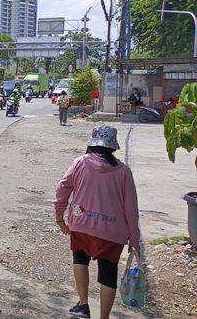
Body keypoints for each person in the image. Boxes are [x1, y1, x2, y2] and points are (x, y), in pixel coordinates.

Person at [54, 126, 140, 319]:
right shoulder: (124, 172)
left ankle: (83, 305)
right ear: (113, 146)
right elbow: (131, 210)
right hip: (112, 232)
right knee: (108, 273)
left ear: (92, 143)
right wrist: (134, 240)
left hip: (81, 225)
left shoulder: (79, 163)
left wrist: (60, 216)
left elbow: (62, 188)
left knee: (80, 260)